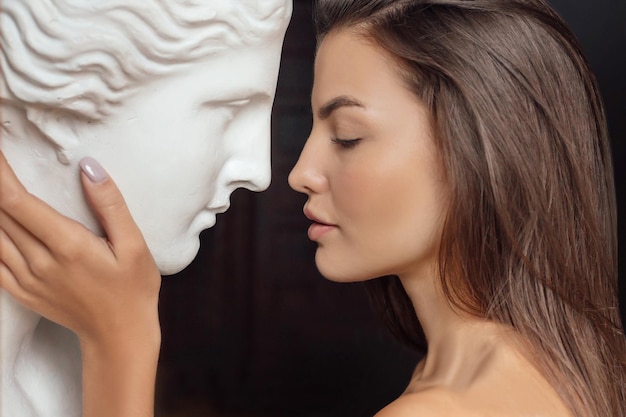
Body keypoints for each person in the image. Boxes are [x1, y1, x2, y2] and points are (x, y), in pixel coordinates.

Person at [1, 0, 625, 416]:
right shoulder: (562, 358)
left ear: (480, 150)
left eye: (347, 136)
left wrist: (121, 343)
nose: (297, 173)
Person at [0, 1, 291, 416]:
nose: (259, 172)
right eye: (228, 111)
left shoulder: (65, 346)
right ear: (58, 114)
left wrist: (121, 340)